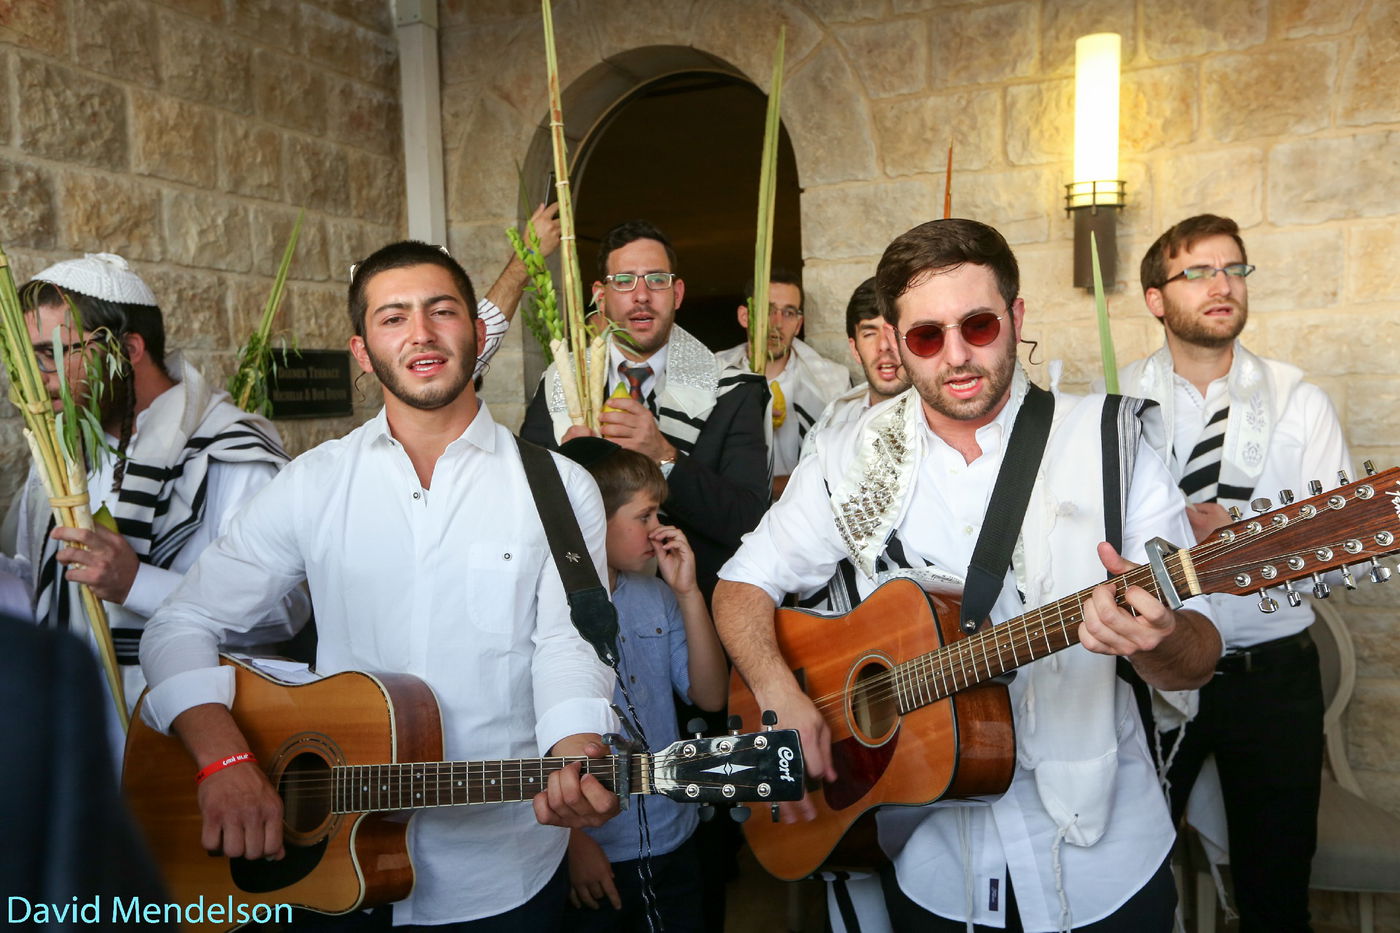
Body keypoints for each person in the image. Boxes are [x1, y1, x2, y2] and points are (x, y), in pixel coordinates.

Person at [714, 218, 1222, 932]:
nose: (956, 355)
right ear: (895, 342)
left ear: (1016, 317)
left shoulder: (1110, 443)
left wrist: (1159, 640)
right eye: (927, 336)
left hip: (1104, 863)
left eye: (978, 326)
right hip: (933, 868)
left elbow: (1199, 656)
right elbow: (740, 586)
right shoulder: (848, 456)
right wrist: (776, 693)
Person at [139, 241, 621, 929]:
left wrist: (574, 744)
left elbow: (567, 644)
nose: (420, 333)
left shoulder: (559, 486)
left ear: (475, 330)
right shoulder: (313, 483)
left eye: (441, 311)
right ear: (363, 352)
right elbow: (179, 623)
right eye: (393, 317)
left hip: (500, 872)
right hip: (324, 865)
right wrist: (225, 759)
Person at [1118, 213, 1350, 932]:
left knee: (1275, 888)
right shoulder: (1112, 405)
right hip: (1150, 669)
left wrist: (1246, 547)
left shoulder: (1299, 402)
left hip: (1269, 676)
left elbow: (1342, 552)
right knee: (1129, 875)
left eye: (1233, 269)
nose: (1221, 285)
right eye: (1197, 271)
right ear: (1156, 298)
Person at [3, 253, 307, 748]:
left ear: (127, 350)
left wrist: (136, 583)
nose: (38, 377)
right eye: (29, 360)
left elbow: (285, 610)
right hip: (72, 733)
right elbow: (36, 581)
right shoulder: (58, 452)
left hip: (182, 745)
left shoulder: (228, 455)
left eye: (51, 355)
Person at [520, 219, 769, 601]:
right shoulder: (560, 382)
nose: (641, 296)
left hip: (698, 607)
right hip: (582, 603)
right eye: (624, 281)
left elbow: (748, 522)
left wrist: (664, 455)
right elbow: (526, 507)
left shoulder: (734, 390)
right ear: (600, 296)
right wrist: (568, 467)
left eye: (657, 280)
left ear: (677, 293)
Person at [557, 437, 727, 933]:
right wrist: (572, 843)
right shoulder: (548, 611)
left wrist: (688, 593)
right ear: (593, 519)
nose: (659, 529)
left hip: (674, 830)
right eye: (644, 516)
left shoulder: (656, 596)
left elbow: (710, 695)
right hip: (597, 850)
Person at [715, 269, 850, 498]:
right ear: (745, 316)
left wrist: (769, 488)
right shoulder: (713, 374)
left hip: (806, 509)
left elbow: (840, 467)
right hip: (729, 507)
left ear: (798, 324)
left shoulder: (832, 382)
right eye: (767, 310)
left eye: (788, 313)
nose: (777, 323)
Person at [799, 276, 910, 465]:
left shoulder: (945, 423)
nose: (883, 345)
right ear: (855, 349)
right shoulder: (833, 424)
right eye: (869, 334)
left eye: (893, 332)